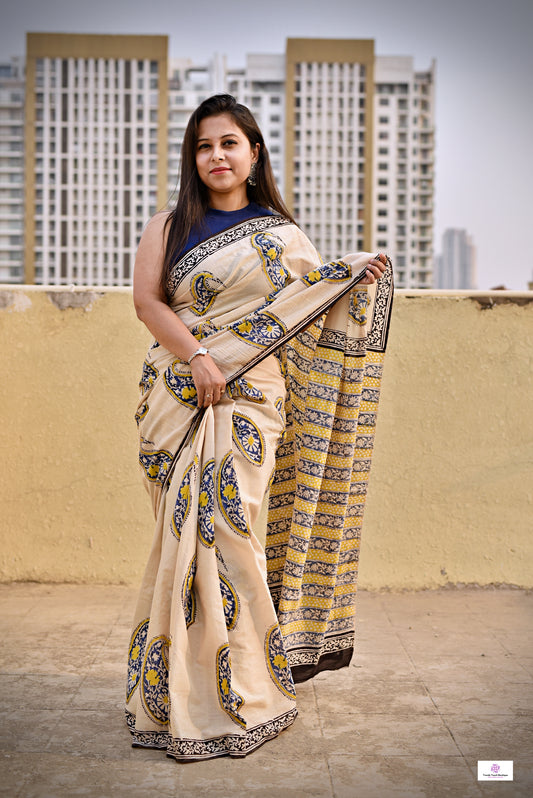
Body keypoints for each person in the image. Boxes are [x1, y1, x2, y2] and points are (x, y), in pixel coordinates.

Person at [126, 94, 392, 761]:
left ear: (253, 153)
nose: (216, 156)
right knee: (181, 544)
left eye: (228, 143)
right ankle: (172, 695)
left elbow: (310, 308)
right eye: (203, 146)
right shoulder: (167, 226)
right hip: (177, 394)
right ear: (192, 158)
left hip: (251, 399)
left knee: (228, 531)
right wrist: (199, 357)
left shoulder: (282, 235)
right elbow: (147, 303)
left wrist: (354, 279)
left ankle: (240, 689)